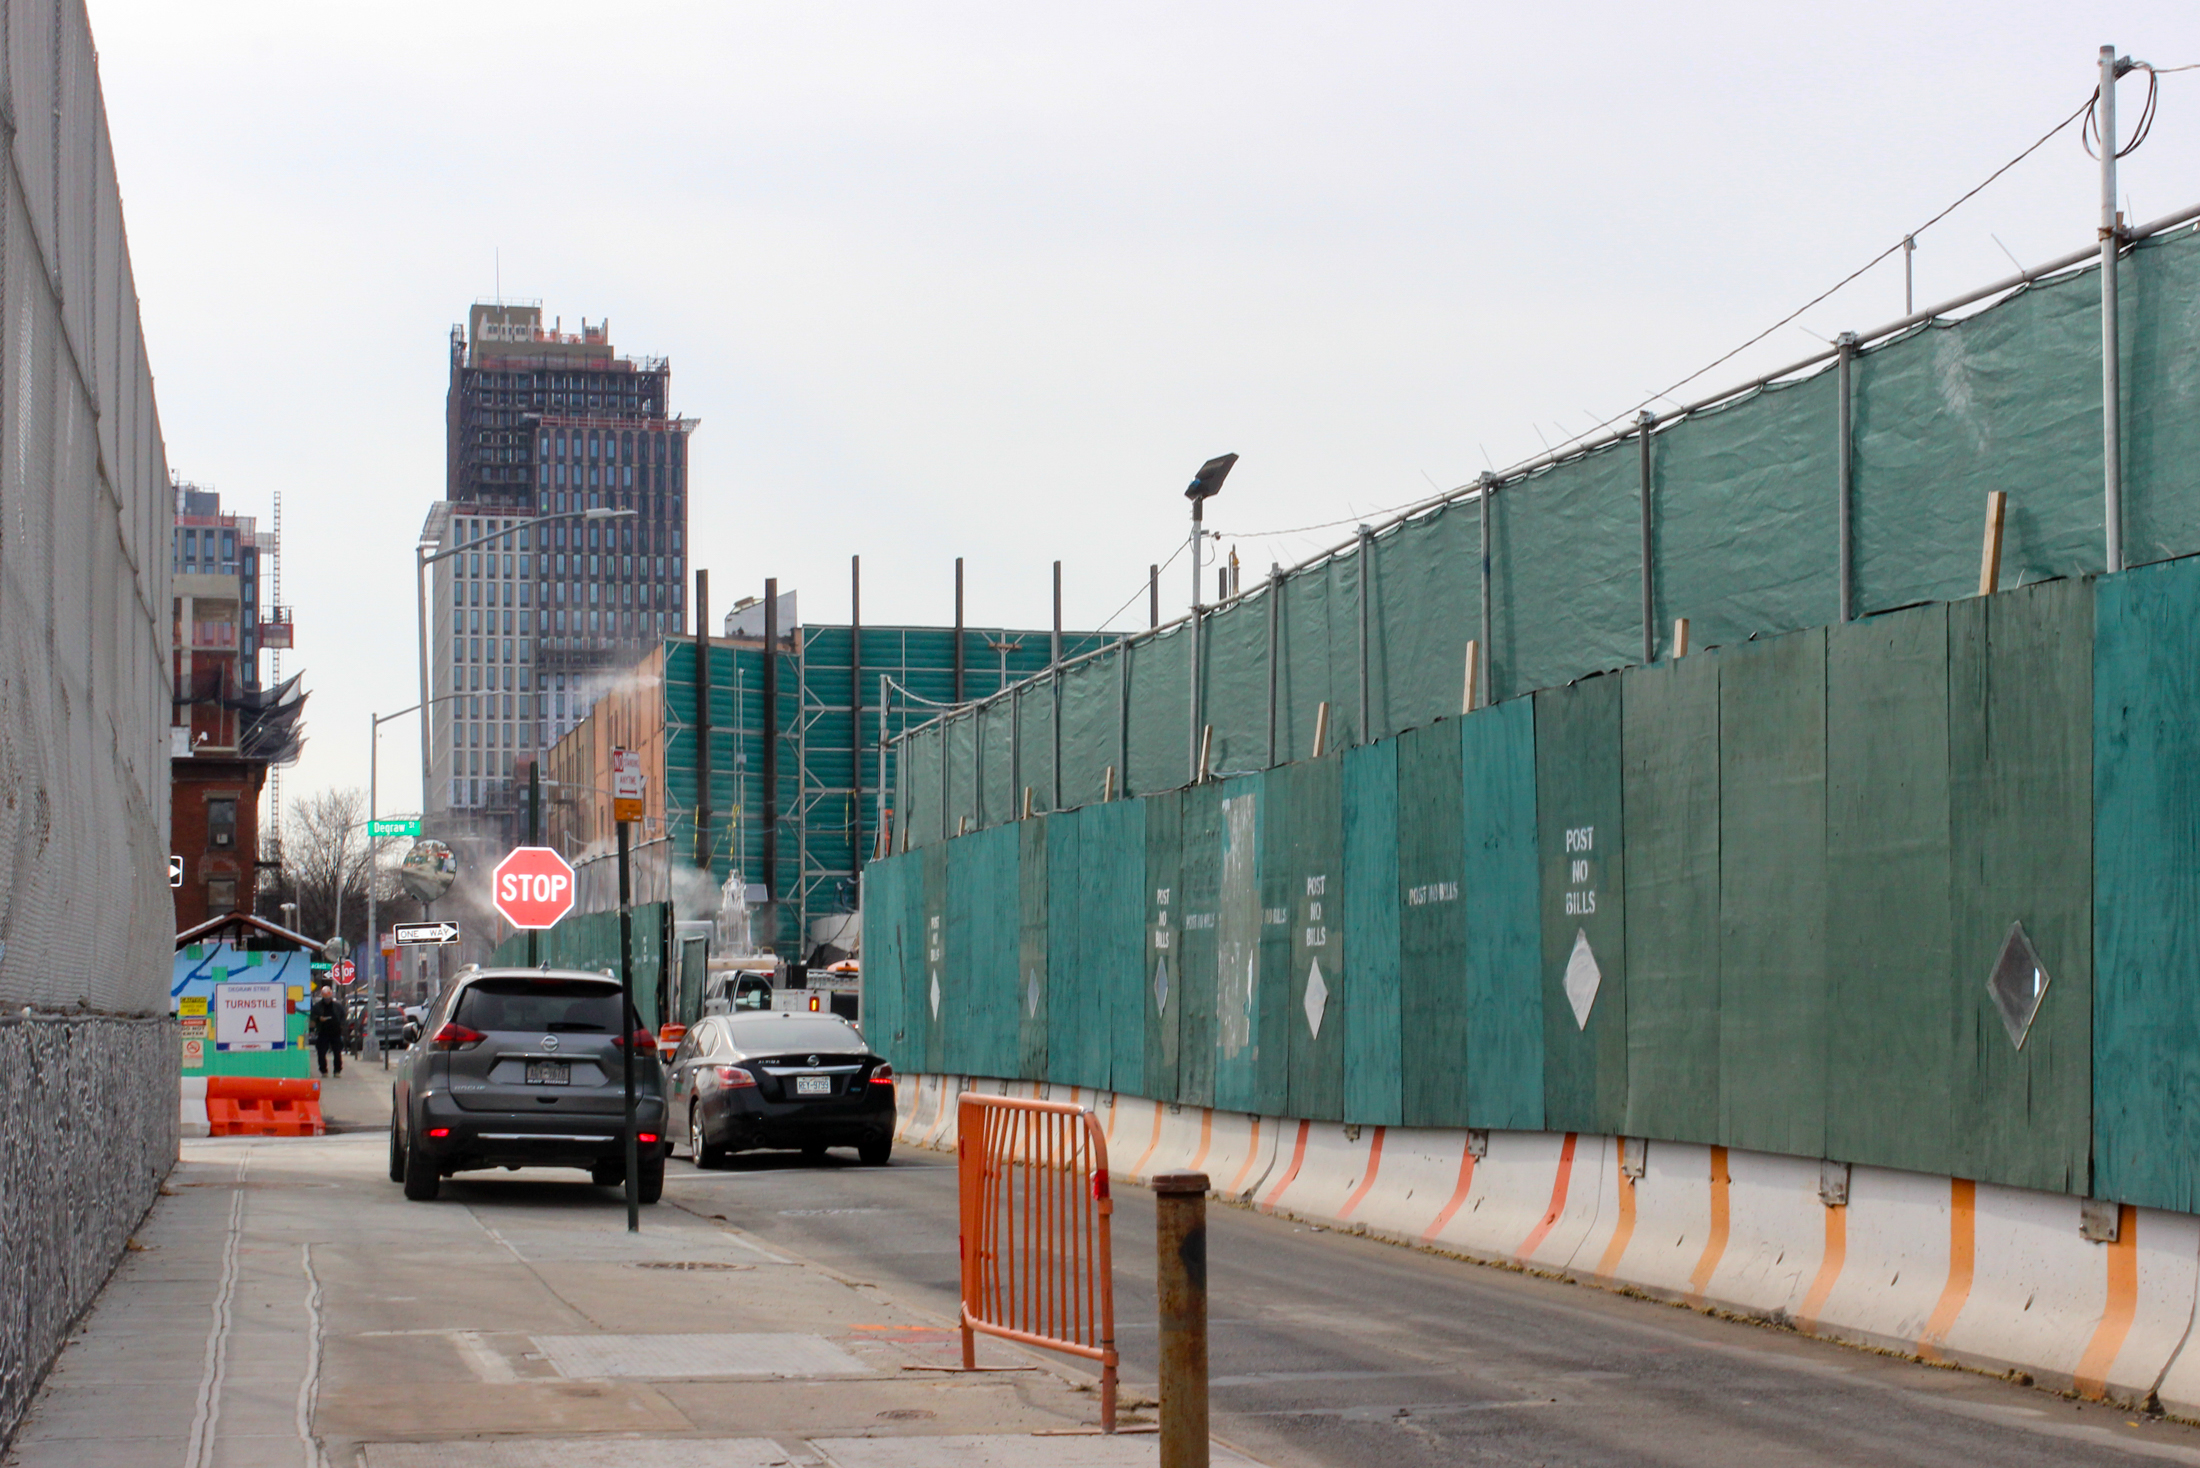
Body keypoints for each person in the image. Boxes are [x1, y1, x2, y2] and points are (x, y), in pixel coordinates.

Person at [309, 984, 345, 1077]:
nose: (327, 1000)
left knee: (337, 1052)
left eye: (329, 998)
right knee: (321, 1052)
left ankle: (337, 1071)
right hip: (323, 1032)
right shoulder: (317, 1007)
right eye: (326, 998)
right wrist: (319, 1019)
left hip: (335, 1032)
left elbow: (343, 1017)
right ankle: (323, 1071)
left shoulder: (337, 1006)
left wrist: (341, 1026)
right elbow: (312, 1017)